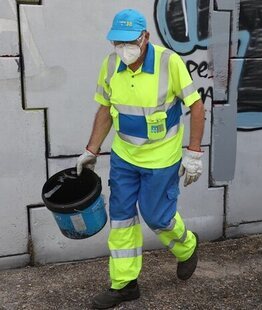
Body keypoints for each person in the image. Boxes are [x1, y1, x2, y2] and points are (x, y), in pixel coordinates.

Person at [76, 9, 205, 309]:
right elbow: (105, 110)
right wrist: (91, 150)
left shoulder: (168, 62)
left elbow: (196, 107)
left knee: (157, 216)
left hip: (161, 156)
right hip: (124, 155)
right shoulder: (110, 66)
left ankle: (187, 246)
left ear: (145, 37)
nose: (123, 49)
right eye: (117, 43)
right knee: (121, 219)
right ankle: (124, 284)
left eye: (129, 42)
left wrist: (194, 153)